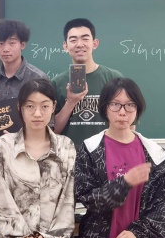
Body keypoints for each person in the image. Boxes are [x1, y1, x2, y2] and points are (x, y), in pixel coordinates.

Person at [74, 78, 165, 238]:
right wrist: (125, 183)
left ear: (137, 109)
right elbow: (88, 198)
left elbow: (163, 204)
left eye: (130, 105)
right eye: (115, 104)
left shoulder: (154, 153)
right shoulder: (91, 149)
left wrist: (137, 232)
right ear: (105, 108)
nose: (122, 112)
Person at [0, 78, 76, 238]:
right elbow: (0, 196)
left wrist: (52, 237)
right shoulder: (5, 146)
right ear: (20, 108)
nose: (37, 113)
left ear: (53, 107)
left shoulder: (65, 146)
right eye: (30, 106)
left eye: (44, 106)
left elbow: (67, 199)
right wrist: (22, 235)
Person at [52, 18, 123, 148]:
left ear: (95, 43)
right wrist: (70, 102)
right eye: (73, 40)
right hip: (69, 154)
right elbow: (52, 130)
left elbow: (128, 124)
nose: (79, 44)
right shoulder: (57, 83)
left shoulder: (114, 78)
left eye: (85, 39)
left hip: (106, 152)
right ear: (65, 46)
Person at [0, 19, 48, 101]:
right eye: (1, 43)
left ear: (22, 45)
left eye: (12, 43)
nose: (6, 49)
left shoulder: (38, 77)